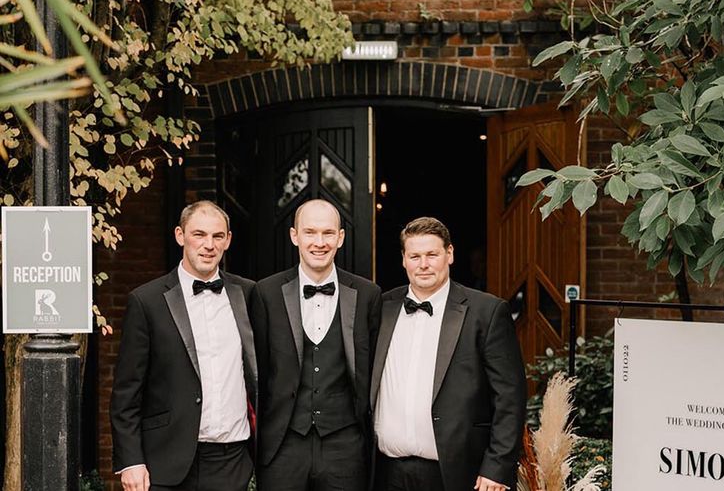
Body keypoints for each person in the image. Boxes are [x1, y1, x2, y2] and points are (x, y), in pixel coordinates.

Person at [110, 200, 258, 491]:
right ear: (180, 236)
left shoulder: (249, 295)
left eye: (217, 236)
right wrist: (131, 461)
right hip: (165, 461)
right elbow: (127, 390)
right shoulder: (147, 301)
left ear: (228, 240)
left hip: (232, 460)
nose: (208, 245)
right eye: (199, 235)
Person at [371, 216, 526, 491]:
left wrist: (497, 467)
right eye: (414, 256)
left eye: (432, 254)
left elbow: (509, 397)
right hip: (385, 472)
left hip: (455, 474)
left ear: (450, 254)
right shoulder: (382, 307)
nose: (423, 264)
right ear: (403, 259)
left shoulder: (486, 312)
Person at [254, 198, 382, 491]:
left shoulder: (368, 295)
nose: (319, 242)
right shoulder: (266, 293)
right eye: (310, 232)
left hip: (346, 447)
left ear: (340, 238)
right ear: (294, 236)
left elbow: (376, 369)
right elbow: (257, 370)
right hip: (283, 446)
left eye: (327, 233)